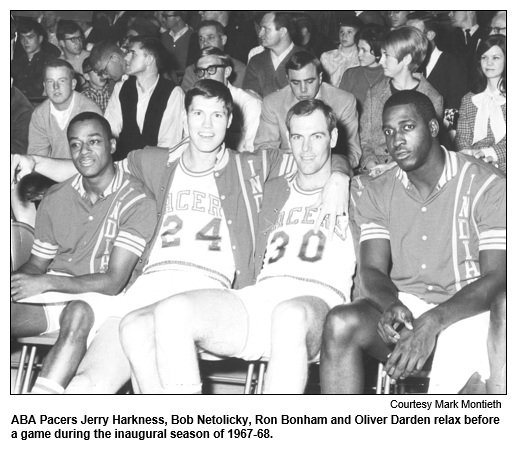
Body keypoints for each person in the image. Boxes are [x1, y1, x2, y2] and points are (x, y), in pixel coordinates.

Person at [12, 80, 351, 394]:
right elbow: (92, 164)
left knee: (157, 329)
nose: (206, 125)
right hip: (145, 288)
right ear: (185, 117)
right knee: (85, 386)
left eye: (217, 115)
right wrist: (34, 160)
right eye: (198, 114)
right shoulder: (156, 161)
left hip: (202, 288)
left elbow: (314, 153)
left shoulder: (253, 166)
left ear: (230, 120)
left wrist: (340, 176)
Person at [120, 99, 356, 394]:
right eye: (297, 137)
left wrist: (341, 174)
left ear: (333, 138)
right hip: (260, 297)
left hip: (318, 303)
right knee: (171, 311)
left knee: (289, 316)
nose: (306, 148)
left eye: (316, 136)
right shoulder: (271, 188)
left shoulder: (360, 193)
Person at [321, 90, 506, 394]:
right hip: (408, 306)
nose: (396, 140)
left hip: (469, 311)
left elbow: (497, 279)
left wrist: (433, 322)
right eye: (388, 131)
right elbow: (370, 271)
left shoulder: (487, 185)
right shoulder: (378, 190)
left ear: (433, 129)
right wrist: (390, 303)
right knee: (341, 322)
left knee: (474, 393)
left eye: (407, 127)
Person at [11, 112, 157, 394]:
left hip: (104, 299)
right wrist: (15, 282)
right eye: (76, 144)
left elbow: (113, 281)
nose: (84, 152)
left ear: (112, 146)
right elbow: (38, 264)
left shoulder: (137, 200)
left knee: (77, 312)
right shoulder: (56, 197)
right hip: (55, 291)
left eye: (93, 142)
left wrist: (47, 282)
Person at [254, 51, 361, 169]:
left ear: (320, 78)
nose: (303, 89)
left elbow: (352, 153)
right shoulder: (273, 103)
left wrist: (328, 167)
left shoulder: (343, 101)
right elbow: (263, 150)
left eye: (309, 81)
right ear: (288, 80)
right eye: (295, 83)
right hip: (286, 170)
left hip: (331, 171)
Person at [359, 26, 443, 176]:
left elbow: (429, 150)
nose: (381, 61)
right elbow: (364, 140)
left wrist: (391, 168)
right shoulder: (374, 93)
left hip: (413, 172)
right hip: (374, 170)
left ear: (406, 59)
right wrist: (373, 166)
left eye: (386, 55)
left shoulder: (432, 97)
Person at [103, 36, 184, 160]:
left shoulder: (173, 93)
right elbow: (109, 129)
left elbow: (169, 144)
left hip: (155, 168)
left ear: (149, 60)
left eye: (133, 53)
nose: (126, 58)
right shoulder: (121, 88)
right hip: (123, 167)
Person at [28, 59, 102, 159]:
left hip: (84, 171)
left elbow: (95, 159)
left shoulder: (89, 111)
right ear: (44, 86)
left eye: (62, 81)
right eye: (50, 81)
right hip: (52, 172)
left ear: (73, 84)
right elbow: (36, 157)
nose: (56, 87)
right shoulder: (40, 114)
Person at [455, 35, 506, 174]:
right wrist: (471, 157)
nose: (489, 63)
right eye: (484, 57)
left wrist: (485, 153)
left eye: (496, 58)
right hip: (474, 167)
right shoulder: (469, 99)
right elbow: (462, 138)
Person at [194, 47, 261, 152]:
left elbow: (254, 151)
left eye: (211, 69)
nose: (205, 76)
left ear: (227, 72)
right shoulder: (194, 104)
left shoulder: (248, 103)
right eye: (200, 71)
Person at [406, 12, 467, 113]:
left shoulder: (454, 64)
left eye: (415, 34)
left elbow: (456, 107)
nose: (408, 40)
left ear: (430, 35)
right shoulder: (408, 64)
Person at [243, 12, 304, 98]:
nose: (260, 34)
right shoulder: (256, 61)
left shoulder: (306, 59)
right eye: (261, 28)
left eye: (266, 29)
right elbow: (249, 100)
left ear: (282, 31)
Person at [181, 20, 247, 92]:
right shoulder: (191, 71)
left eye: (210, 37)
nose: (205, 43)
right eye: (201, 39)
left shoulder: (240, 69)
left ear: (223, 40)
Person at [339, 25, 386, 117]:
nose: (359, 54)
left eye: (364, 50)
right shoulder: (350, 75)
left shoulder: (389, 74)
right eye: (358, 49)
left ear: (377, 51)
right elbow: (340, 107)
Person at [11, 19, 60, 98]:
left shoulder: (50, 61)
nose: (25, 42)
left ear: (40, 39)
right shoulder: (15, 63)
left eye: (30, 37)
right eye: (22, 38)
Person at [320, 16, 363, 87]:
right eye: (341, 31)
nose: (344, 35)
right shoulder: (327, 56)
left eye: (349, 32)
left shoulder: (361, 57)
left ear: (358, 34)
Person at [160, 11, 197, 76]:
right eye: (163, 16)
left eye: (166, 17)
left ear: (178, 17)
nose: (163, 20)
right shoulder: (163, 36)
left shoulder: (194, 36)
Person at [57, 20, 90, 89]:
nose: (78, 42)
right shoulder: (58, 64)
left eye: (80, 38)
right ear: (62, 43)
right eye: (73, 39)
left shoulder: (89, 57)